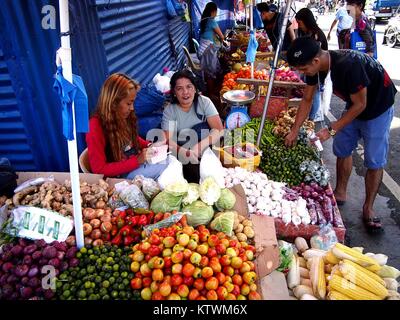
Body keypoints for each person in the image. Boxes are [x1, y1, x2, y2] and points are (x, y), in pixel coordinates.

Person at [284, 37, 397, 232]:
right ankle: (340, 192)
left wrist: (331, 129)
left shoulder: (348, 66)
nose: (302, 74)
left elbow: (361, 104)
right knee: (342, 148)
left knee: (374, 160)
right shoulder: (315, 67)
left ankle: (368, 207)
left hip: (378, 107)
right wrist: (294, 130)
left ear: (316, 62)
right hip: (354, 105)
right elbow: (307, 98)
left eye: (303, 70)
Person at [86, 73, 168, 179]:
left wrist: (149, 145)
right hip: (117, 178)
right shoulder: (95, 126)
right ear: (113, 103)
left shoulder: (122, 115)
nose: (132, 108)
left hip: (131, 165)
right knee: (165, 168)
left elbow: (129, 139)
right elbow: (99, 170)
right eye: (129, 104)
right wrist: (137, 160)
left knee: (169, 159)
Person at [161, 69, 224, 183]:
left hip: (206, 147)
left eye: (189, 87)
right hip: (184, 153)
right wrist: (183, 152)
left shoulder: (204, 102)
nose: (185, 92)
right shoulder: (170, 111)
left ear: (195, 88)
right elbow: (169, 140)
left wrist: (198, 147)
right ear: (174, 92)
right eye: (180, 88)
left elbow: (218, 130)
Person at [295, 7, 329, 121]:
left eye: (300, 23)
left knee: (315, 93)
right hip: (311, 69)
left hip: (318, 70)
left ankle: (311, 119)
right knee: (310, 93)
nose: (299, 25)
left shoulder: (316, 35)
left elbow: (315, 56)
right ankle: (309, 116)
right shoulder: (307, 33)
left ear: (306, 21)